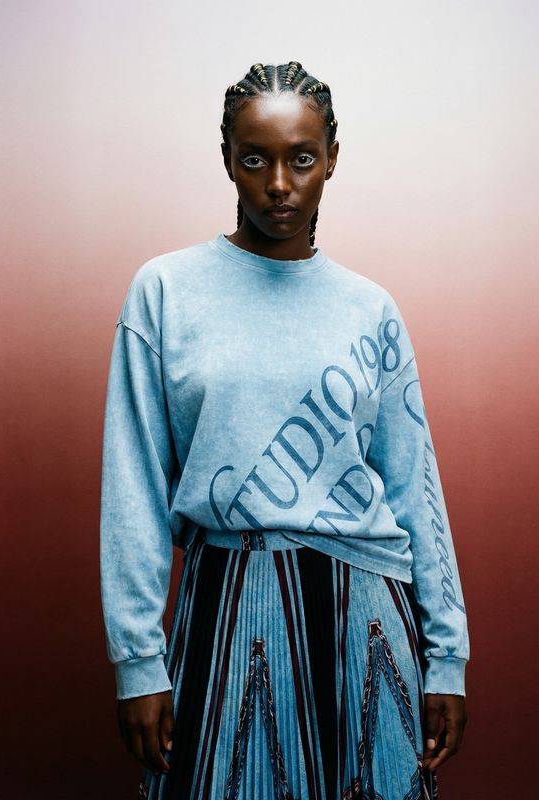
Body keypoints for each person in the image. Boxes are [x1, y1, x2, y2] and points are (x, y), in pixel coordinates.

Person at [99, 60, 469, 800]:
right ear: (227, 159)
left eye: (301, 159)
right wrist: (138, 659)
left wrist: (446, 656)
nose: (277, 184)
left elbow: (413, 488)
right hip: (224, 603)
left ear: (332, 157)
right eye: (254, 159)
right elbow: (133, 484)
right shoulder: (165, 291)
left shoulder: (372, 310)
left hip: (366, 619)